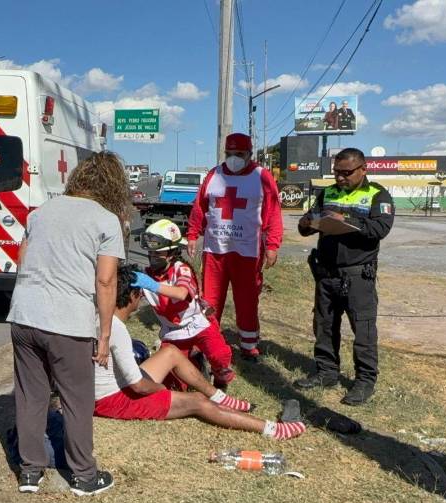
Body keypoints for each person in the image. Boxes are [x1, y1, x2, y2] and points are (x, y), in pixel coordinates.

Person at [7, 151, 129, 496]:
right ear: (112, 186)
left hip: (24, 316)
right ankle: (84, 477)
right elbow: (105, 282)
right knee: (77, 399)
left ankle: (30, 471)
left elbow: (23, 261)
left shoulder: (40, 212)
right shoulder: (106, 221)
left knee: (31, 396)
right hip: (68, 323)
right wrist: (104, 335)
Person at [94, 264, 306, 440]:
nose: (140, 300)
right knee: (196, 401)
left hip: (112, 388)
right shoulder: (116, 329)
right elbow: (139, 386)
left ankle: (220, 397)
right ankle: (271, 430)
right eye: (139, 295)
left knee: (171, 353)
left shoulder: (101, 318)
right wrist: (161, 390)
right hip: (114, 400)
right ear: (131, 295)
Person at [294, 148, 394, 405]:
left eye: (346, 173)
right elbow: (307, 224)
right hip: (326, 273)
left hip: (358, 275)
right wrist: (307, 222)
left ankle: (364, 381)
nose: (339, 178)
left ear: (363, 169)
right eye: (336, 172)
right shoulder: (327, 192)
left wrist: (347, 220)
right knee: (325, 325)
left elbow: (380, 229)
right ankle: (327, 372)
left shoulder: (377, 195)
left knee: (364, 330)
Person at [186, 133, 283, 360]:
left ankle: (248, 345)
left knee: (247, 300)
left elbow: (273, 213)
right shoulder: (214, 175)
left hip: (248, 252)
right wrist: (192, 234)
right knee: (210, 299)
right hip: (214, 250)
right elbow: (200, 207)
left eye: (239, 154)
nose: (233, 159)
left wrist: (272, 245)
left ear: (250, 154)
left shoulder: (262, 177)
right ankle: (208, 341)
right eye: (229, 154)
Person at [132, 219, 235, 388]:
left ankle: (219, 379)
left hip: (197, 325)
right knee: (173, 383)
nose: (152, 257)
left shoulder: (182, 269)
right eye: (150, 253)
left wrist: (151, 285)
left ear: (172, 253)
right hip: (172, 333)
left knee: (219, 356)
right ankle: (195, 362)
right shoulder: (146, 274)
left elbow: (181, 293)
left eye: (158, 253)